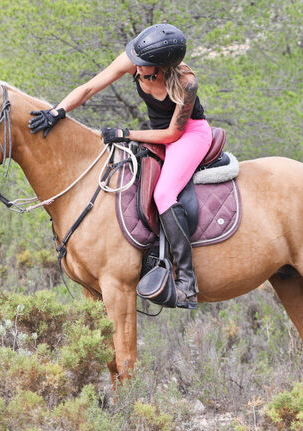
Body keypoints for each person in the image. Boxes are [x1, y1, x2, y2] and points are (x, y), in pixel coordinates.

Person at [28, 23, 212, 309]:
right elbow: (89, 87)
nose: (136, 71)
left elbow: (172, 134)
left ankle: (187, 283)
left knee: (163, 194)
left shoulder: (187, 82)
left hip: (189, 135)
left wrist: (127, 134)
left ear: (162, 69)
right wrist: (57, 110)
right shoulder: (135, 60)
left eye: (145, 69)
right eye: (136, 65)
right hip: (157, 135)